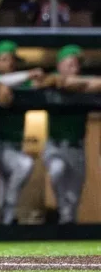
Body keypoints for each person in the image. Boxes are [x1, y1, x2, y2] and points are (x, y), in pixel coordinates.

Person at [0, 41, 43, 225]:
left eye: (13, 60)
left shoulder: (23, 84)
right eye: (4, 59)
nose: (9, 63)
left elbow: (39, 82)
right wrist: (27, 74)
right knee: (23, 166)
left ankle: (6, 219)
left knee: (13, 173)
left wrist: (35, 78)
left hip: (13, 146)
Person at [42, 45, 95, 224]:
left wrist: (79, 84)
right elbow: (49, 81)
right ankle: (61, 209)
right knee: (56, 171)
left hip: (76, 149)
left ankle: (66, 236)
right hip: (55, 146)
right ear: (59, 65)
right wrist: (62, 82)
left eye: (77, 63)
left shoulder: (86, 83)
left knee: (73, 202)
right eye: (70, 62)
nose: (75, 66)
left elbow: (90, 83)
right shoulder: (50, 79)